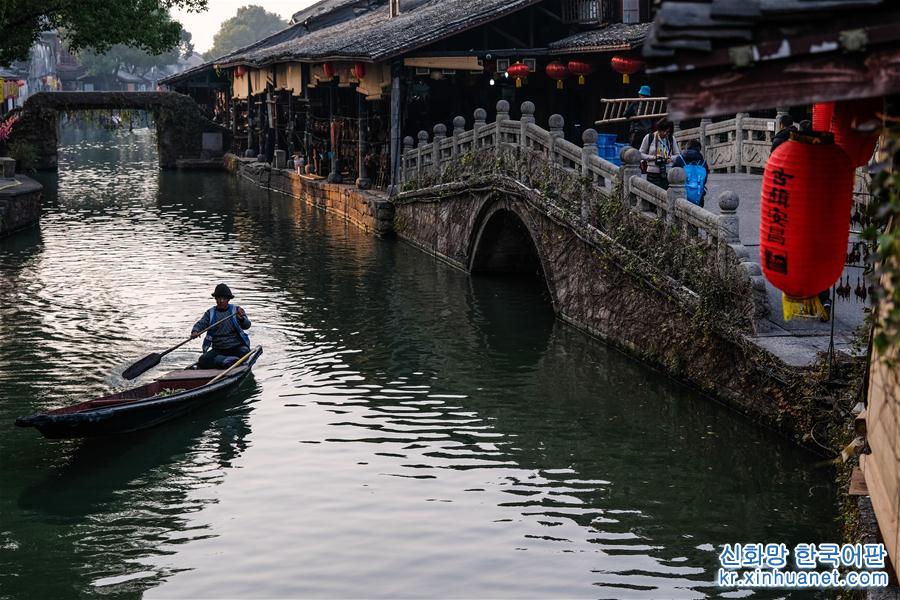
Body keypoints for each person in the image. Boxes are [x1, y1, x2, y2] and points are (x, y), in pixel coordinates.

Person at [191, 283, 251, 369]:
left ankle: (223, 361)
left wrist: (241, 319)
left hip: (235, 347)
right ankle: (226, 361)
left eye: (224, 298)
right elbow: (201, 323)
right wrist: (195, 331)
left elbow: (247, 325)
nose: (221, 301)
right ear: (216, 299)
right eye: (219, 298)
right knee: (203, 360)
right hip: (218, 349)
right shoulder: (210, 313)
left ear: (228, 299)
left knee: (245, 352)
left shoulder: (237, 310)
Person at [640, 118, 680, 190]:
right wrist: (653, 157)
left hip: (667, 173)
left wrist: (670, 158)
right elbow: (640, 154)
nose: (665, 133)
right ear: (659, 129)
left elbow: (678, 155)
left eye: (667, 132)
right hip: (652, 173)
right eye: (663, 131)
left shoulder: (671, 138)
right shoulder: (649, 137)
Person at [673, 140, 710, 207]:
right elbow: (704, 180)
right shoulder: (703, 163)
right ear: (699, 149)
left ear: (687, 147)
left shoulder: (680, 159)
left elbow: (673, 176)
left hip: (681, 196)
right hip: (698, 197)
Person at [624, 85, 654, 149]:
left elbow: (626, 114)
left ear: (639, 94)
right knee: (646, 150)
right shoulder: (652, 104)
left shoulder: (636, 103)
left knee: (635, 150)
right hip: (648, 131)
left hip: (637, 131)